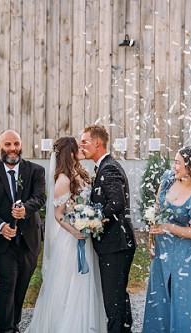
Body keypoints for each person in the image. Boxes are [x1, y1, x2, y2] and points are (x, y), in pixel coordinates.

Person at [25, 137, 107, 333]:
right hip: (71, 240)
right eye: (77, 147)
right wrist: (75, 230)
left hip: (85, 236)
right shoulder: (63, 179)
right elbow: (58, 215)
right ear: (69, 152)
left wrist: (91, 222)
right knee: (70, 284)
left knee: (87, 283)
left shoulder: (81, 173)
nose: (81, 148)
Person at [0, 130, 46, 333]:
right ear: (0, 147)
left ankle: (13, 325)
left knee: (21, 285)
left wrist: (26, 208)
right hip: (0, 240)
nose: (12, 148)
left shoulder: (36, 170)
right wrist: (1, 226)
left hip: (28, 240)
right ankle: (1, 329)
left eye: (16, 143)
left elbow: (39, 197)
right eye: (7, 144)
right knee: (6, 283)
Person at [142, 145, 191, 333]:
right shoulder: (167, 180)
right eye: (174, 162)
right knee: (160, 299)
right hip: (162, 251)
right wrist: (152, 241)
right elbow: (156, 213)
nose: (174, 166)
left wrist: (168, 227)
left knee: (184, 301)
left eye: (178, 163)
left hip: (186, 254)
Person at [80, 124, 136, 333]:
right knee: (117, 296)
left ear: (97, 142)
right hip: (114, 244)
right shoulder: (102, 167)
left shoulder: (109, 168)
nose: (81, 145)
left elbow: (116, 204)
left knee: (113, 300)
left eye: (85, 141)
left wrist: (92, 221)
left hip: (116, 244)